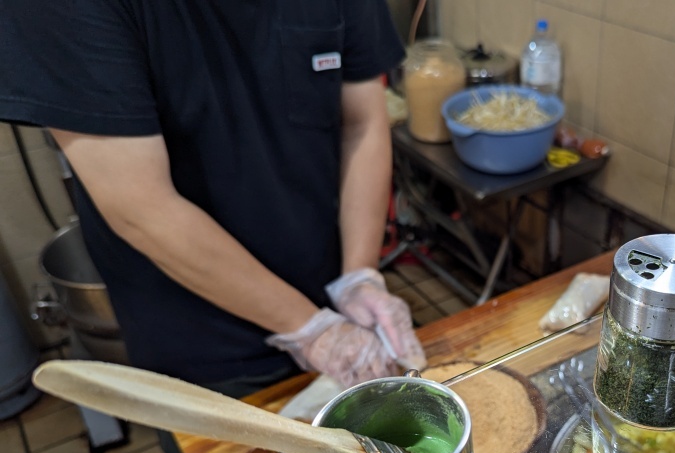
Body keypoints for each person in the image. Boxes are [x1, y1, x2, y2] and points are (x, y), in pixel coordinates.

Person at [0, 0, 426, 399]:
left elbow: (363, 122)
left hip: (329, 286)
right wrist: (313, 331)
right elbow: (140, 207)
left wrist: (358, 276)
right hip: (201, 339)